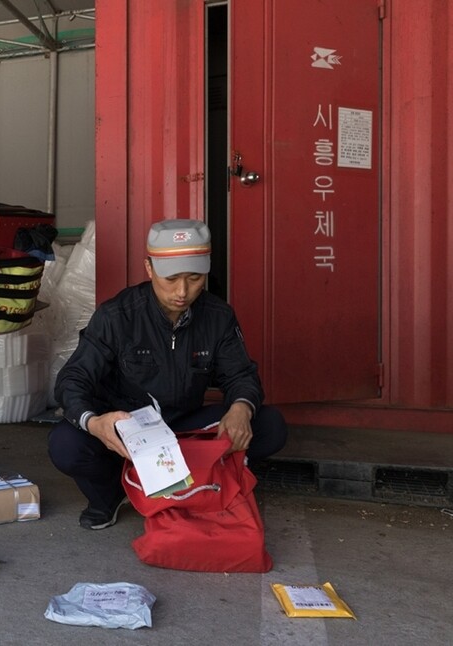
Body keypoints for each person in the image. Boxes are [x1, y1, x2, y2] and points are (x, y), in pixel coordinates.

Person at [49, 219, 287, 530]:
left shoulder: (218, 316)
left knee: (270, 426)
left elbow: (240, 373)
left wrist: (240, 407)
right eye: (171, 278)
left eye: (195, 278)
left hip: (181, 427)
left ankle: (189, 486)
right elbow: (72, 380)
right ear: (149, 268)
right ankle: (110, 494)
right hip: (127, 430)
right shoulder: (117, 316)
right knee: (66, 444)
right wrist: (96, 423)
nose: (183, 292)